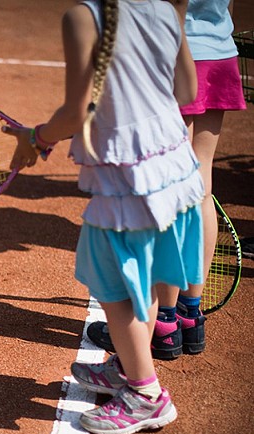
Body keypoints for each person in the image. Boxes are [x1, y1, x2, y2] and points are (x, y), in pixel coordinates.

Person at [3, 0, 201, 434]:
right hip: (175, 170)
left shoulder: (83, 16)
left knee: (116, 294)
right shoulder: (165, 8)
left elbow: (78, 113)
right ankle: (130, 369)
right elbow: (186, 92)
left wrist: (35, 138)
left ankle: (146, 396)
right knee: (145, 281)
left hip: (126, 184)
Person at [86, 0, 248, 359]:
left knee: (170, 193)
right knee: (200, 182)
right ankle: (191, 315)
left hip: (174, 56)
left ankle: (164, 322)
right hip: (220, 49)